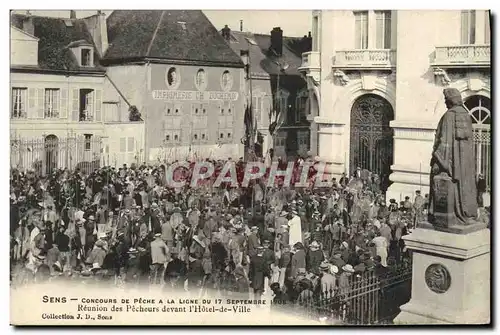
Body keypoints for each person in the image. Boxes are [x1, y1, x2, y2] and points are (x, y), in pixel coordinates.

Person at [428, 88, 478, 227]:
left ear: (450, 100)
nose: (444, 102)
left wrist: (437, 157)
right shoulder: (466, 115)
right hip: (464, 163)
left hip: (451, 163)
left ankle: (451, 214)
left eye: (446, 100)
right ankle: (466, 213)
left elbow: (444, 142)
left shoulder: (449, 116)